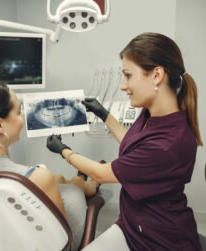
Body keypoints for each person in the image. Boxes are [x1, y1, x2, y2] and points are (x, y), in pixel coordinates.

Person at [46, 32, 203, 251]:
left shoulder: (169, 144)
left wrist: (64, 151)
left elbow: (102, 174)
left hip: (159, 239)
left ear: (157, 75)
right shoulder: (152, 114)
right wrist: (104, 114)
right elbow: (133, 142)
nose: (122, 86)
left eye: (128, 75)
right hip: (132, 225)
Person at [0, 81, 99, 251]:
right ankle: (86, 185)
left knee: (58, 179)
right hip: (53, 245)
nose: (22, 117)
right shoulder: (35, 177)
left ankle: (79, 181)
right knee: (72, 190)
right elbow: (63, 242)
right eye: (18, 111)